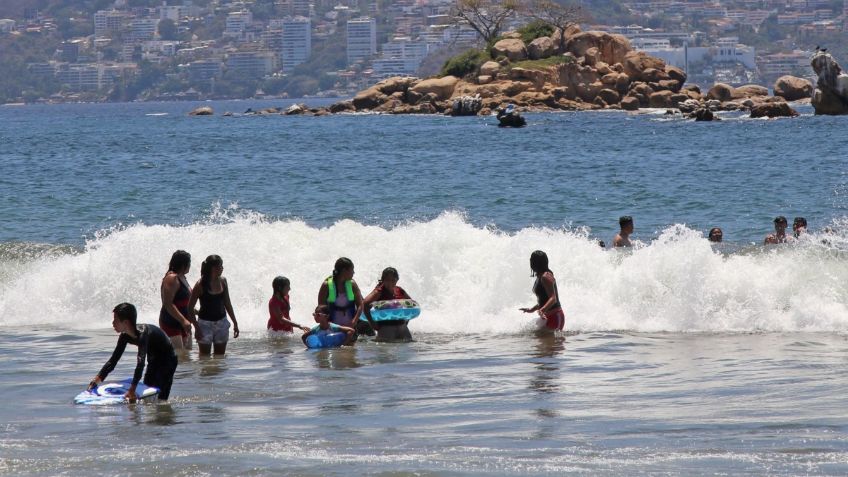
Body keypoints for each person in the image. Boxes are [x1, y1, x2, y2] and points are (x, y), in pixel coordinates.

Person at [88, 303, 178, 401]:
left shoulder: (143, 334)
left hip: (168, 360)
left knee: (161, 398)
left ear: (126, 323)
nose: (112, 323)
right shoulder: (124, 336)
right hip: (153, 360)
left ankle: (165, 414)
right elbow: (112, 361)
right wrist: (95, 381)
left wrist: (132, 389)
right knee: (147, 392)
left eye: (115, 320)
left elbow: (140, 363)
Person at [187, 255, 239, 355]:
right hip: (205, 324)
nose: (222, 268)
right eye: (221, 266)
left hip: (222, 323)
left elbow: (227, 303)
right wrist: (197, 328)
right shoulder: (200, 285)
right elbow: (189, 308)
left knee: (219, 358)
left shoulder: (223, 281)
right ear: (213, 268)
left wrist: (235, 322)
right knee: (204, 358)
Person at [317, 257, 366, 336]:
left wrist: (354, 321)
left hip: (350, 327)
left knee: (349, 348)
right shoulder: (326, 285)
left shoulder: (352, 284)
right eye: (352, 270)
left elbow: (360, 305)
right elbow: (320, 308)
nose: (353, 272)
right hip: (332, 328)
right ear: (344, 271)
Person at [362, 267, 414, 342]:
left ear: (397, 280)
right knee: (386, 352)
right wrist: (373, 324)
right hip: (386, 327)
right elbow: (365, 304)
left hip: (402, 326)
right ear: (383, 280)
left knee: (408, 345)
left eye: (393, 280)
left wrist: (406, 321)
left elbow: (411, 305)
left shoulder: (399, 290)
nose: (390, 283)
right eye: (387, 280)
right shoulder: (379, 292)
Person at [519, 250, 566, 332]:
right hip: (547, 317)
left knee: (551, 344)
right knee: (537, 340)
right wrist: (532, 309)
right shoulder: (540, 276)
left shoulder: (545, 276)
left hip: (555, 317)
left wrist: (542, 310)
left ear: (534, 263)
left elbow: (553, 298)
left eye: (531, 260)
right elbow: (544, 299)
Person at [159, 250, 195, 351]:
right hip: (171, 322)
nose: (190, 266)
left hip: (184, 322)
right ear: (184, 264)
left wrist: (197, 312)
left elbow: (185, 302)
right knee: (177, 355)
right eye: (189, 263)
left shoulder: (182, 277)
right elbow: (168, 303)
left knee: (186, 355)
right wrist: (183, 321)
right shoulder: (172, 278)